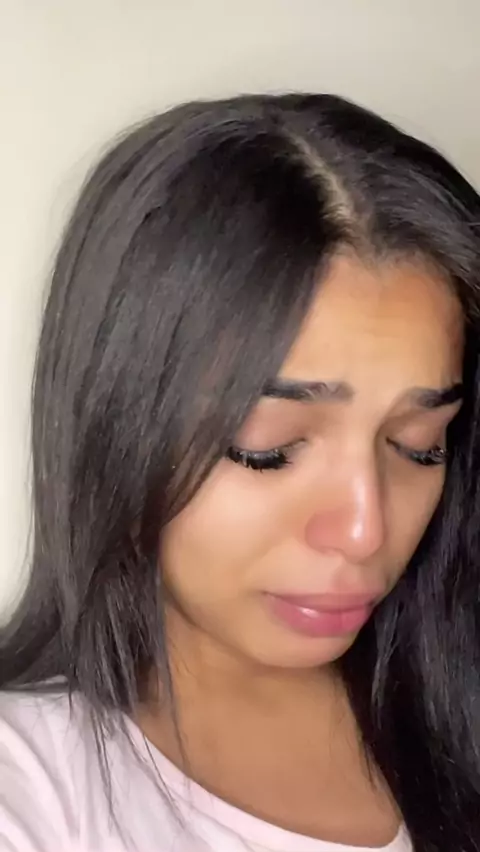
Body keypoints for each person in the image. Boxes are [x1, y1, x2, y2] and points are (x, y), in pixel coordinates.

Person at [0, 93, 479, 852]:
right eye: (269, 448)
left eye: (418, 445)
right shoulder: (31, 782)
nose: (364, 531)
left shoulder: (454, 702)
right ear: (118, 424)